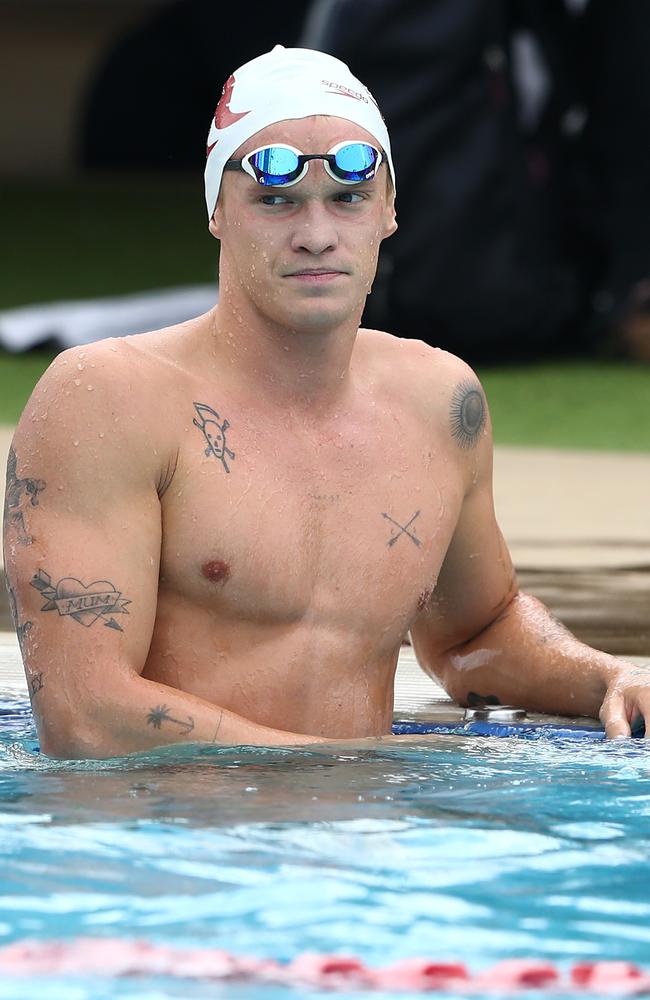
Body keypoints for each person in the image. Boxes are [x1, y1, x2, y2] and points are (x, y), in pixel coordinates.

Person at [3, 45, 648, 760]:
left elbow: (476, 633)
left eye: (347, 199)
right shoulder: (108, 400)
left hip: (361, 842)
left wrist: (605, 677)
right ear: (218, 209)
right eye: (275, 201)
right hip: (177, 844)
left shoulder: (439, 402)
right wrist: (333, 774)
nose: (316, 235)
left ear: (389, 210)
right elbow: (84, 714)